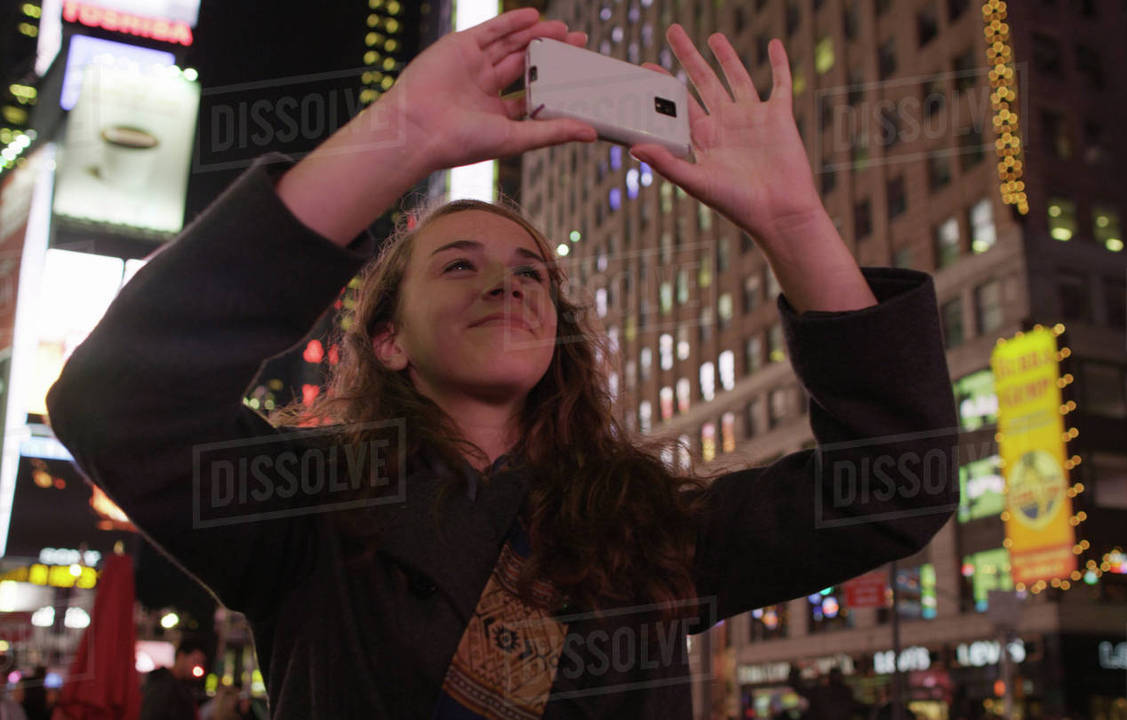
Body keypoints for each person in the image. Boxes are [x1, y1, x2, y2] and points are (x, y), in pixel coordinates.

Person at [44, 8, 959, 720]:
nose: (506, 283)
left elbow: (892, 488)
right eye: (458, 264)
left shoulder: (651, 527)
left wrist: (794, 222)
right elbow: (119, 397)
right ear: (388, 339)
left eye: (532, 272)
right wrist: (399, 132)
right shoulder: (302, 508)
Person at [140, 639, 205, 720]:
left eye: (201, 662)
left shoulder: (184, 687)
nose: (199, 666)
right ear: (181, 656)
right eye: (195, 661)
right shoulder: (162, 685)